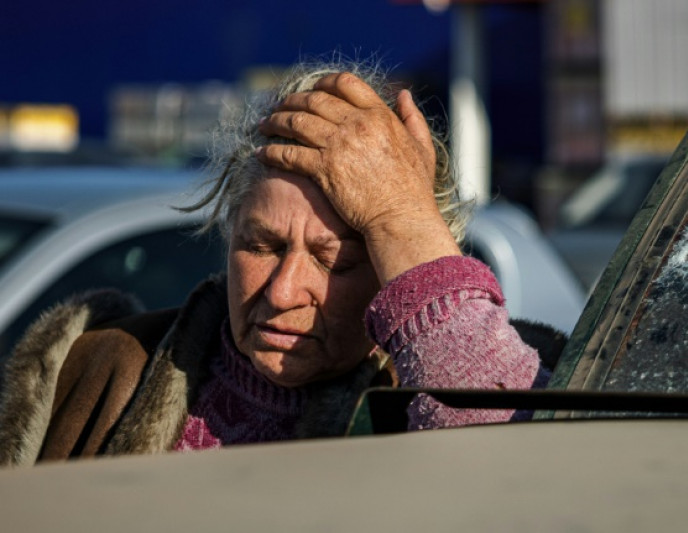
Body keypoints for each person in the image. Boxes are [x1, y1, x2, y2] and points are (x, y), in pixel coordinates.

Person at [0, 61, 564, 466]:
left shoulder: (459, 387)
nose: (283, 291)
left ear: (398, 272)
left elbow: (521, 464)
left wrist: (401, 216)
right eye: (262, 246)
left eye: (332, 261)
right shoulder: (99, 368)